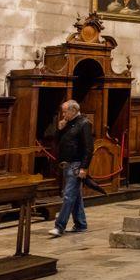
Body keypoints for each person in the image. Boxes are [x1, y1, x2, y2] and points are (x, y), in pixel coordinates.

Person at [48, 100, 93, 237]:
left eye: (65, 111)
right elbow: (57, 142)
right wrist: (60, 130)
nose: (63, 114)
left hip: (76, 164)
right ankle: (80, 224)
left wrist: (84, 168)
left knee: (68, 195)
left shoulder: (84, 124)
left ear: (73, 110)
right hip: (67, 164)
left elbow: (88, 148)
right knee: (75, 195)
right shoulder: (67, 124)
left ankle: (59, 226)